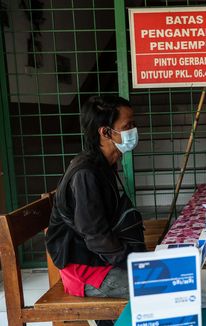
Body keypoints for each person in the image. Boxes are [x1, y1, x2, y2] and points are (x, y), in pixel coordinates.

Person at [46, 95, 145, 323]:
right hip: (84, 271)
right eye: (127, 126)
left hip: (97, 259)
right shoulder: (86, 174)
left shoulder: (104, 164)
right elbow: (96, 236)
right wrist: (133, 261)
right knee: (157, 288)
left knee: (161, 276)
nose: (133, 130)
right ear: (105, 132)